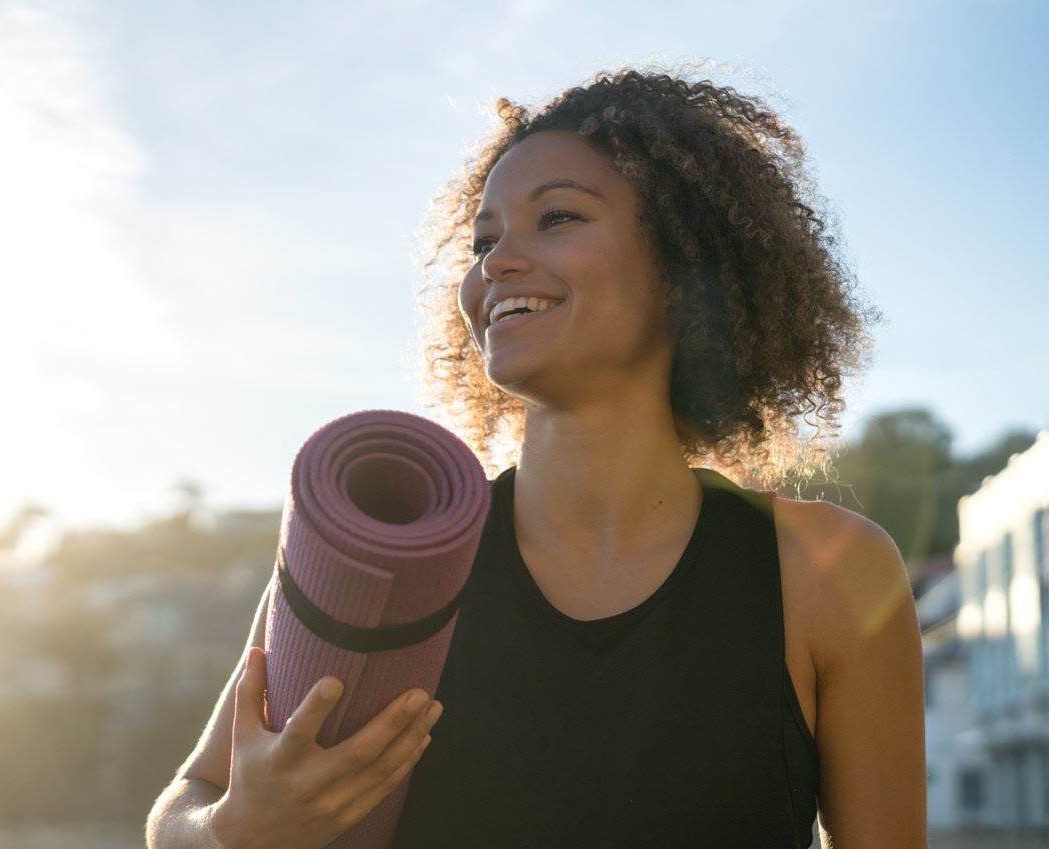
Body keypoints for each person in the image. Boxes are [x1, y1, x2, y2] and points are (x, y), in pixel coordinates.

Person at [146, 66, 926, 849]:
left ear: (686, 268)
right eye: (485, 240)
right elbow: (187, 802)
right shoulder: (391, 549)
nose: (497, 262)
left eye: (556, 218)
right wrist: (230, 831)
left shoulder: (830, 572)